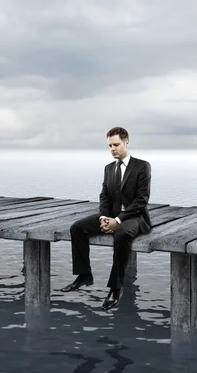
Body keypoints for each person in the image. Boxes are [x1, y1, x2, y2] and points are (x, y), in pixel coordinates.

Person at [61, 126, 152, 310]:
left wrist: (117, 221)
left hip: (134, 217)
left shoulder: (142, 166)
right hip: (110, 214)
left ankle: (115, 288)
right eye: (110, 146)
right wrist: (103, 216)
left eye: (116, 144)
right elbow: (104, 195)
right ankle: (84, 275)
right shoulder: (109, 168)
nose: (112, 149)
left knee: (121, 235)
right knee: (77, 228)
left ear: (126, 142)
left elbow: (141, 200)